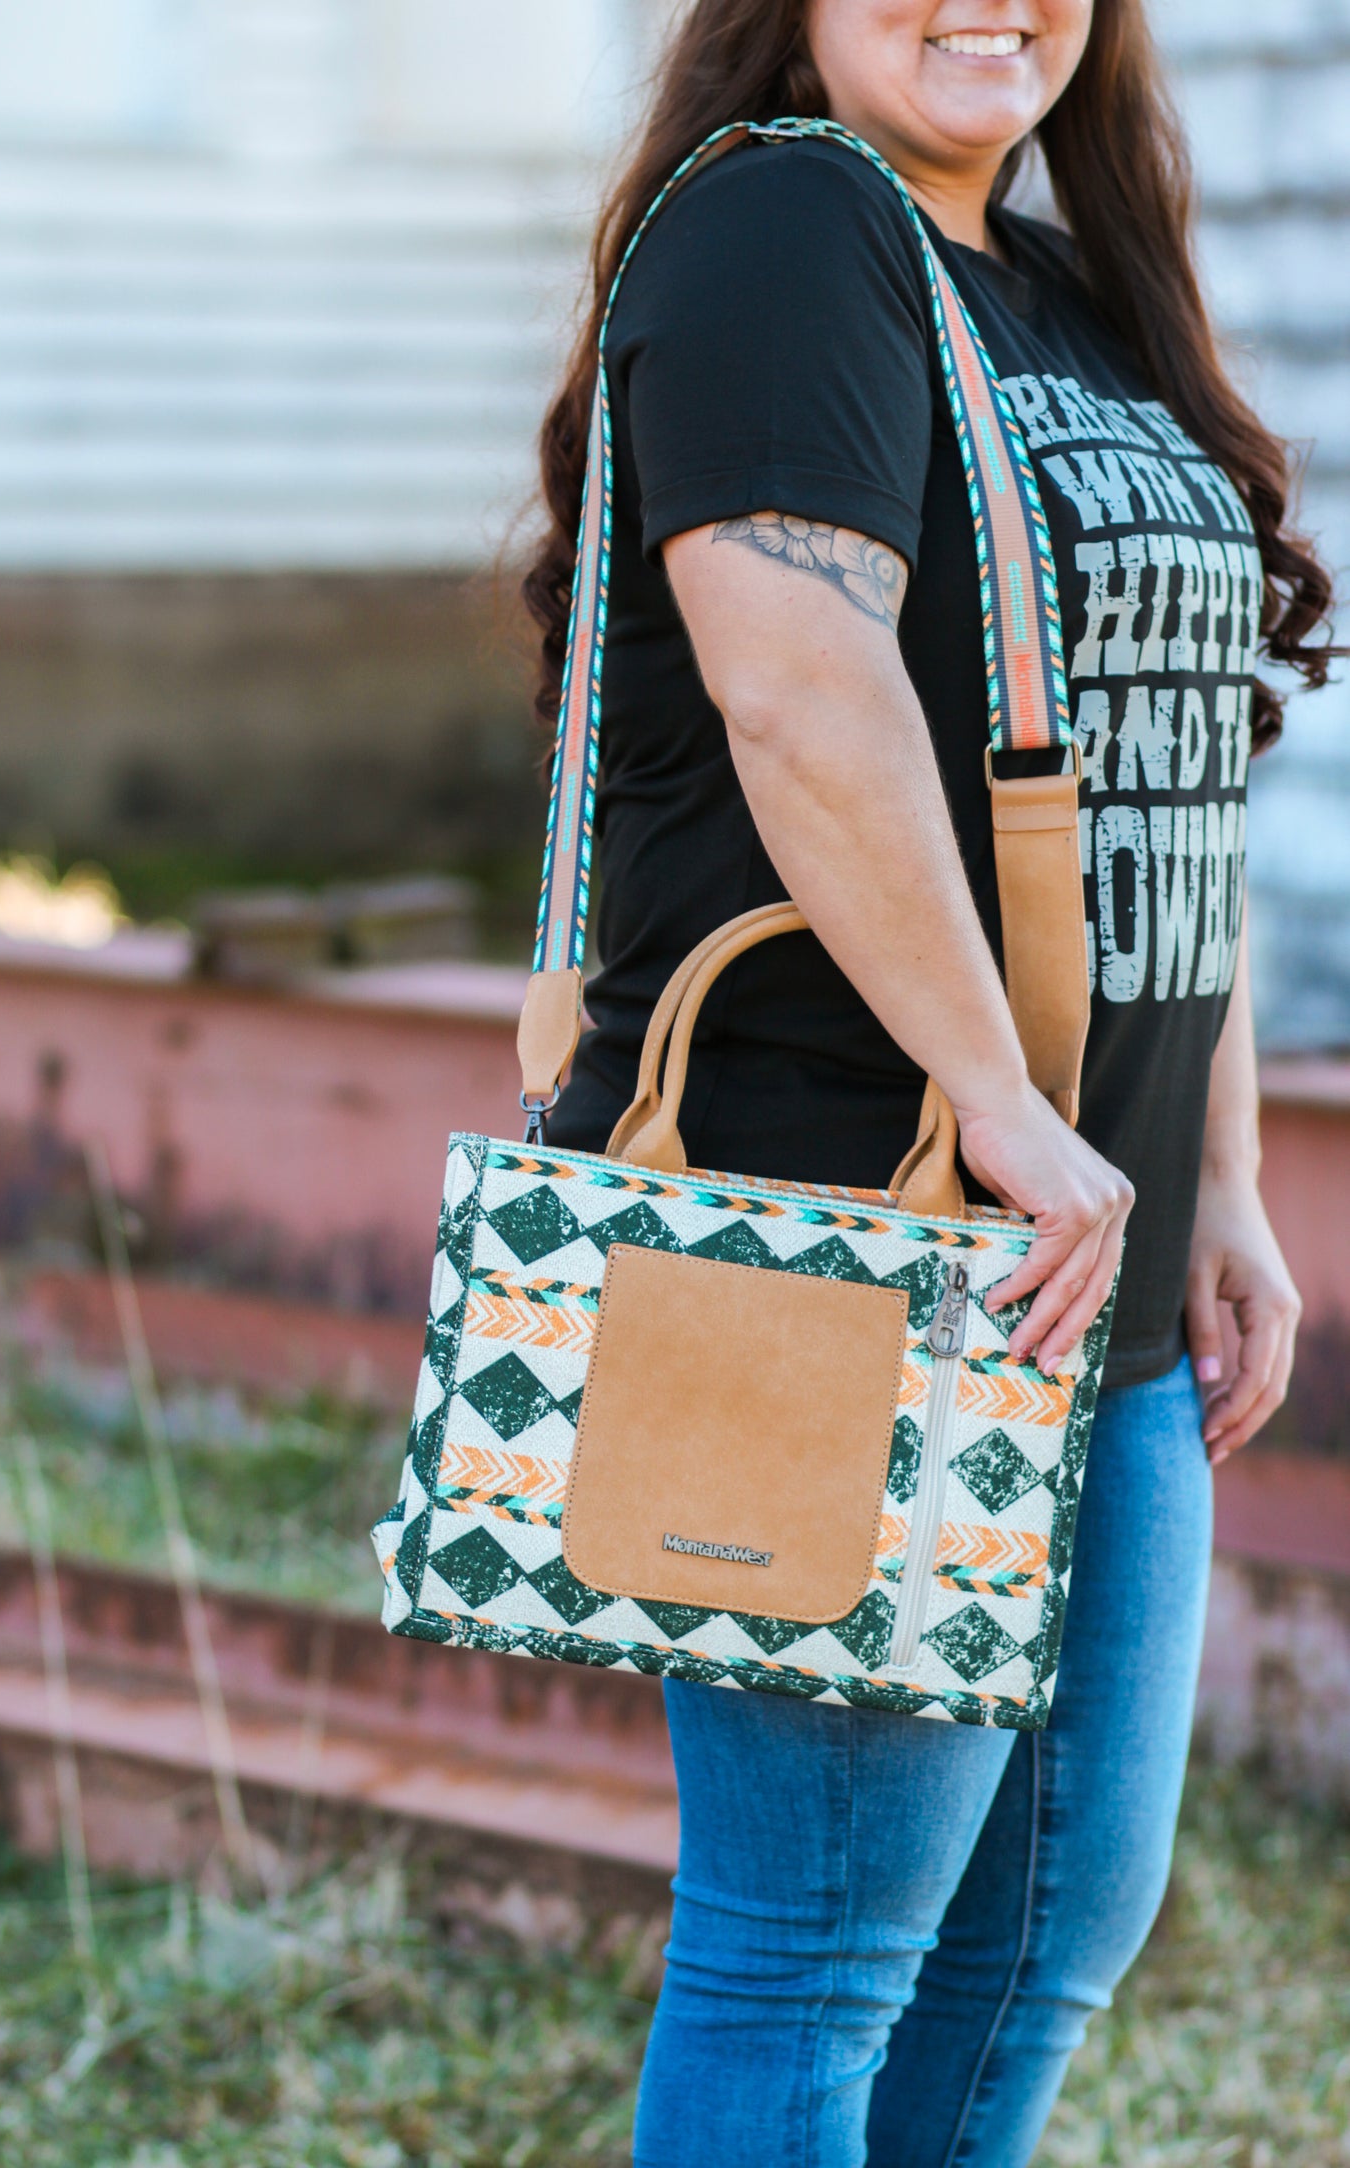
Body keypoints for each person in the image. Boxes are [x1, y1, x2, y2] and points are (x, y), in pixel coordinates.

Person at [524, 3, 1336, 2161]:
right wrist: (999, 1097)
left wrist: (1222, 1176)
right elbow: (798, 689)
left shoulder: (1063, 287)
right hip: (863, 1241)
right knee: (815, 1959)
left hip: (1097, 1256)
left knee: (1047, 1937)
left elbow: (1161, 774)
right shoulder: (789, 233)